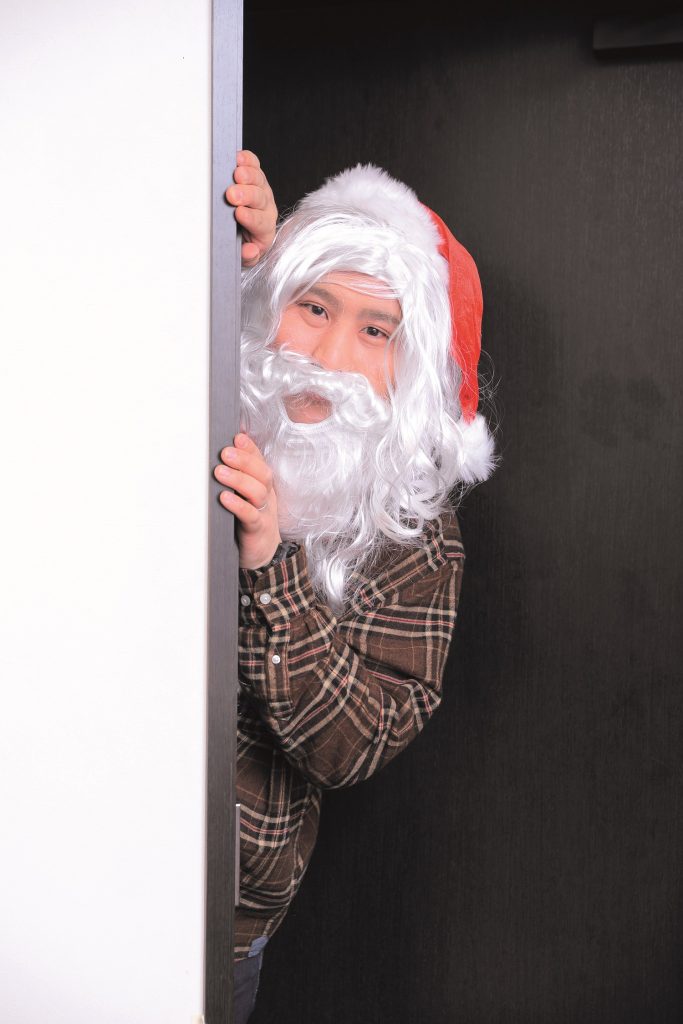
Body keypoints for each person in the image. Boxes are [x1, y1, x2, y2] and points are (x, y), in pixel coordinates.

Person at [219, 151, 496, 1022]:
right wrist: (223, 254)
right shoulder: (195, 406)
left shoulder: (415, 536)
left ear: (410, 367)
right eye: (312, 307)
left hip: (216, 920)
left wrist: (269, 562)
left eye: (375, 331)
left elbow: (351, 746)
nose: (328, 359)